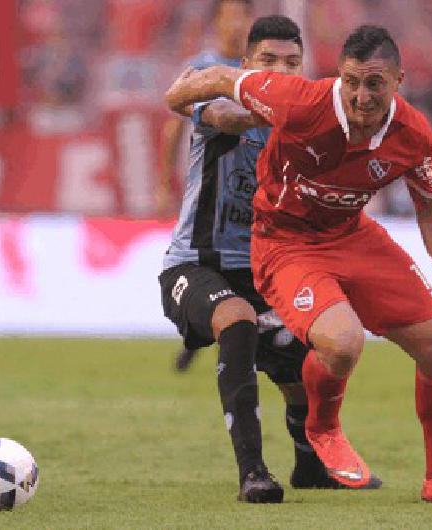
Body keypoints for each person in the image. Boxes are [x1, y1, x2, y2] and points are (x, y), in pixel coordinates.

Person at [166, 25, 432, 504]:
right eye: (351, 82)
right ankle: (323, 429)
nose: (360, 96)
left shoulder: (413, 133)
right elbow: (214, 75)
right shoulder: (297, 100)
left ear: (398, 80)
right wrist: (178, 95)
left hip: (350, 234)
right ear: (339, 76)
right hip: (284, 242)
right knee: (342, 343)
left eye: (374, 84)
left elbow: (431, 203)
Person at [159, 15, 380, 504]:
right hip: (195, 265)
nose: (281, 71)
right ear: (245, 66)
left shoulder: (307, 125)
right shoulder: (220, 97)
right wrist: (286, 109)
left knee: (317, 349)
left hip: (266, 270)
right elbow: (225, 117)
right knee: (236, 321)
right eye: (268, 62)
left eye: (291, 64)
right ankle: (253, 472)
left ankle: (310, 463)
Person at [158, 0, 253, 372]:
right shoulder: (202, 68)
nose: (235, 23)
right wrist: (165, 179)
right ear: (217, 23)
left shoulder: (255, 71)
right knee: (207, 262)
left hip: (250, 188)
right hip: (212, 188)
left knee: (238, 268)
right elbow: (174, 127)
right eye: (228, 15)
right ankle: (201, 338)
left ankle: (210, 340)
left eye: (241, 15)